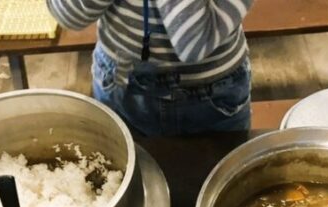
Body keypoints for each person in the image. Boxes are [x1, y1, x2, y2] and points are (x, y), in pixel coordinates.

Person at [46, 0, 254, 136]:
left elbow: (194, 41)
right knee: (125, 181)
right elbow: (69, 15)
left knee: (220, 185)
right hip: (120, 84)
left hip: (213, 97)